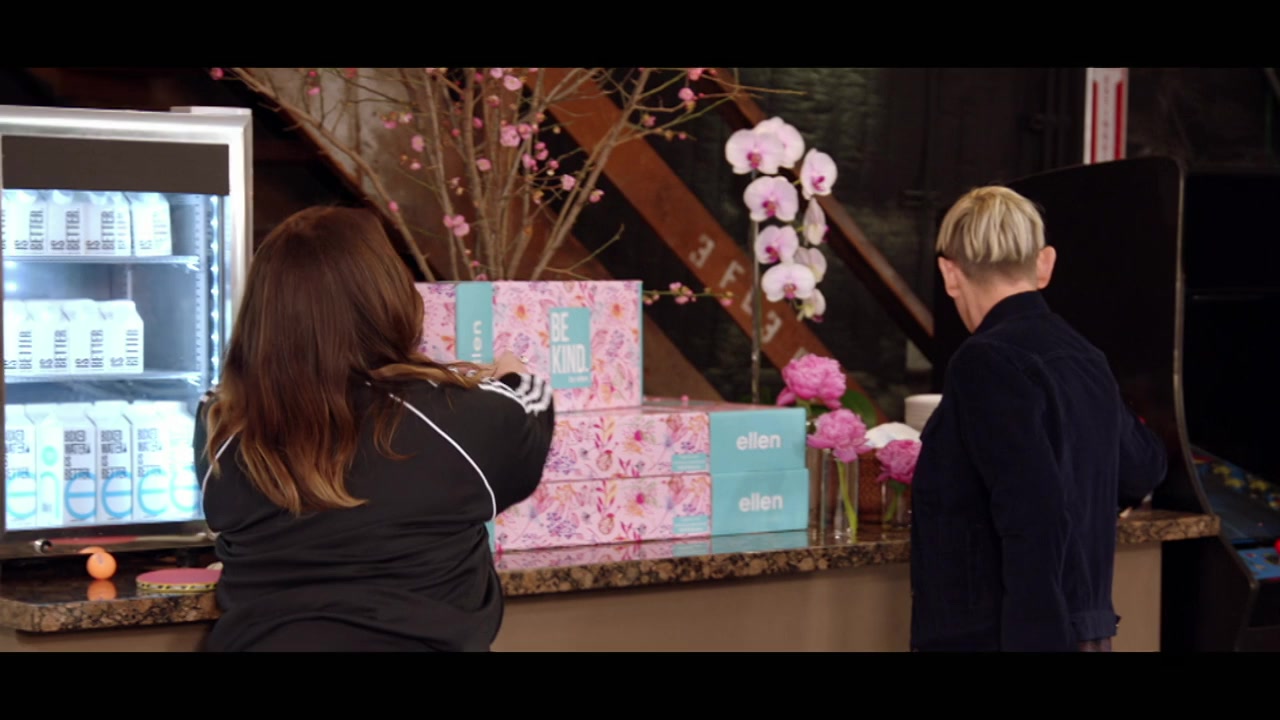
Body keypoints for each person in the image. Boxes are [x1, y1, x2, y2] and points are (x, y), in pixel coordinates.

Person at [195, 206, 554, 652]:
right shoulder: (460, 421)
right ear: (388, 297)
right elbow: (532, 410)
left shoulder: (220, 425)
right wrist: (512, 372)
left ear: (262, 313)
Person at [910, 185, 1167, 652]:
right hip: (1086, 627)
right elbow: (1142, 468)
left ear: (950, 273)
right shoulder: (1085, 356)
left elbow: (1032, 514)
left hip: (1006, 635)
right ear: (1044, 264)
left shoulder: (984, 360)